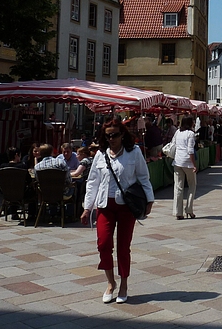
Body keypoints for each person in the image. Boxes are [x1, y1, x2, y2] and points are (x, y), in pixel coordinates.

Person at [81, 118, 154, 304]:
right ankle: (110, 283)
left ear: (122, 134)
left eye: (114, 135)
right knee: (104, 244)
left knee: (123, 247)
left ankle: (124, 284)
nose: (111, 139)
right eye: (108, 136)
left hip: (126, 207)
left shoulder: (133, 152)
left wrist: (149, 200)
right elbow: (92, 182)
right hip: (105, 205)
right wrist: (87, 208)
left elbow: (144, 177)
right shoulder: (100, 154)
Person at [170, 116, 197, 220]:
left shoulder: (177, 132)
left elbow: (173, 144)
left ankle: (178, 212)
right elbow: (190, 151)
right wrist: (194, 164)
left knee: (178, 187)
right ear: (190, 123)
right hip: (187, 162)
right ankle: (189, 210)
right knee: (192, 185)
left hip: (177, 161)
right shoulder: (190, 134)